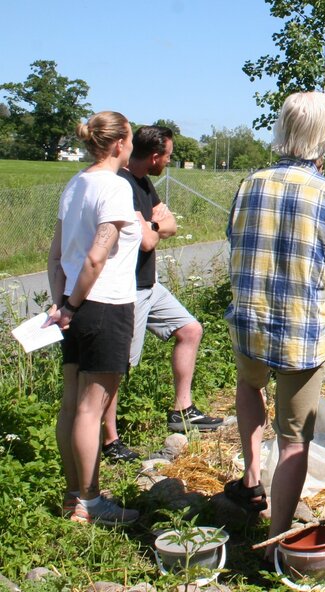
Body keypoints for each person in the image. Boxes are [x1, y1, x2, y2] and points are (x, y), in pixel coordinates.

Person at [223, 92, 325, 562]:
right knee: (295, 437)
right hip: (301, 331)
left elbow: (236, 242)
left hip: (250, 318)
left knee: (248, 385)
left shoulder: (249, 183)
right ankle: (276, 537)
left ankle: (250, 481)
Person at [99, 126, 222, 463]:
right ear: (155, 156)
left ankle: (182, 410)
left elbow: (170, 226)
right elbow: (149, 239)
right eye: (168, 155)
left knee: (190, 329)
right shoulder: (122, 184)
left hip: (150, 285)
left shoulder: (143, 182)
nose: (169, 160)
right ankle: (108, 440)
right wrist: (154, 225)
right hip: (130, 288)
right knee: (118, 366)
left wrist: (152, 223)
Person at [45, 111, 142, 524]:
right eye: (132, 139)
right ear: (120, 143)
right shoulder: (115, 188)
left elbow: (54, 256)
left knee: (71, 406)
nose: (132, 146)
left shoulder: (75, 183)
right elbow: (97, 255)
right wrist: (73, 306)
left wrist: (62, 305)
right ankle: (90, 500)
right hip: (104, 306)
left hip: (74, 304)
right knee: (91, 409)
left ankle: (73, 497)